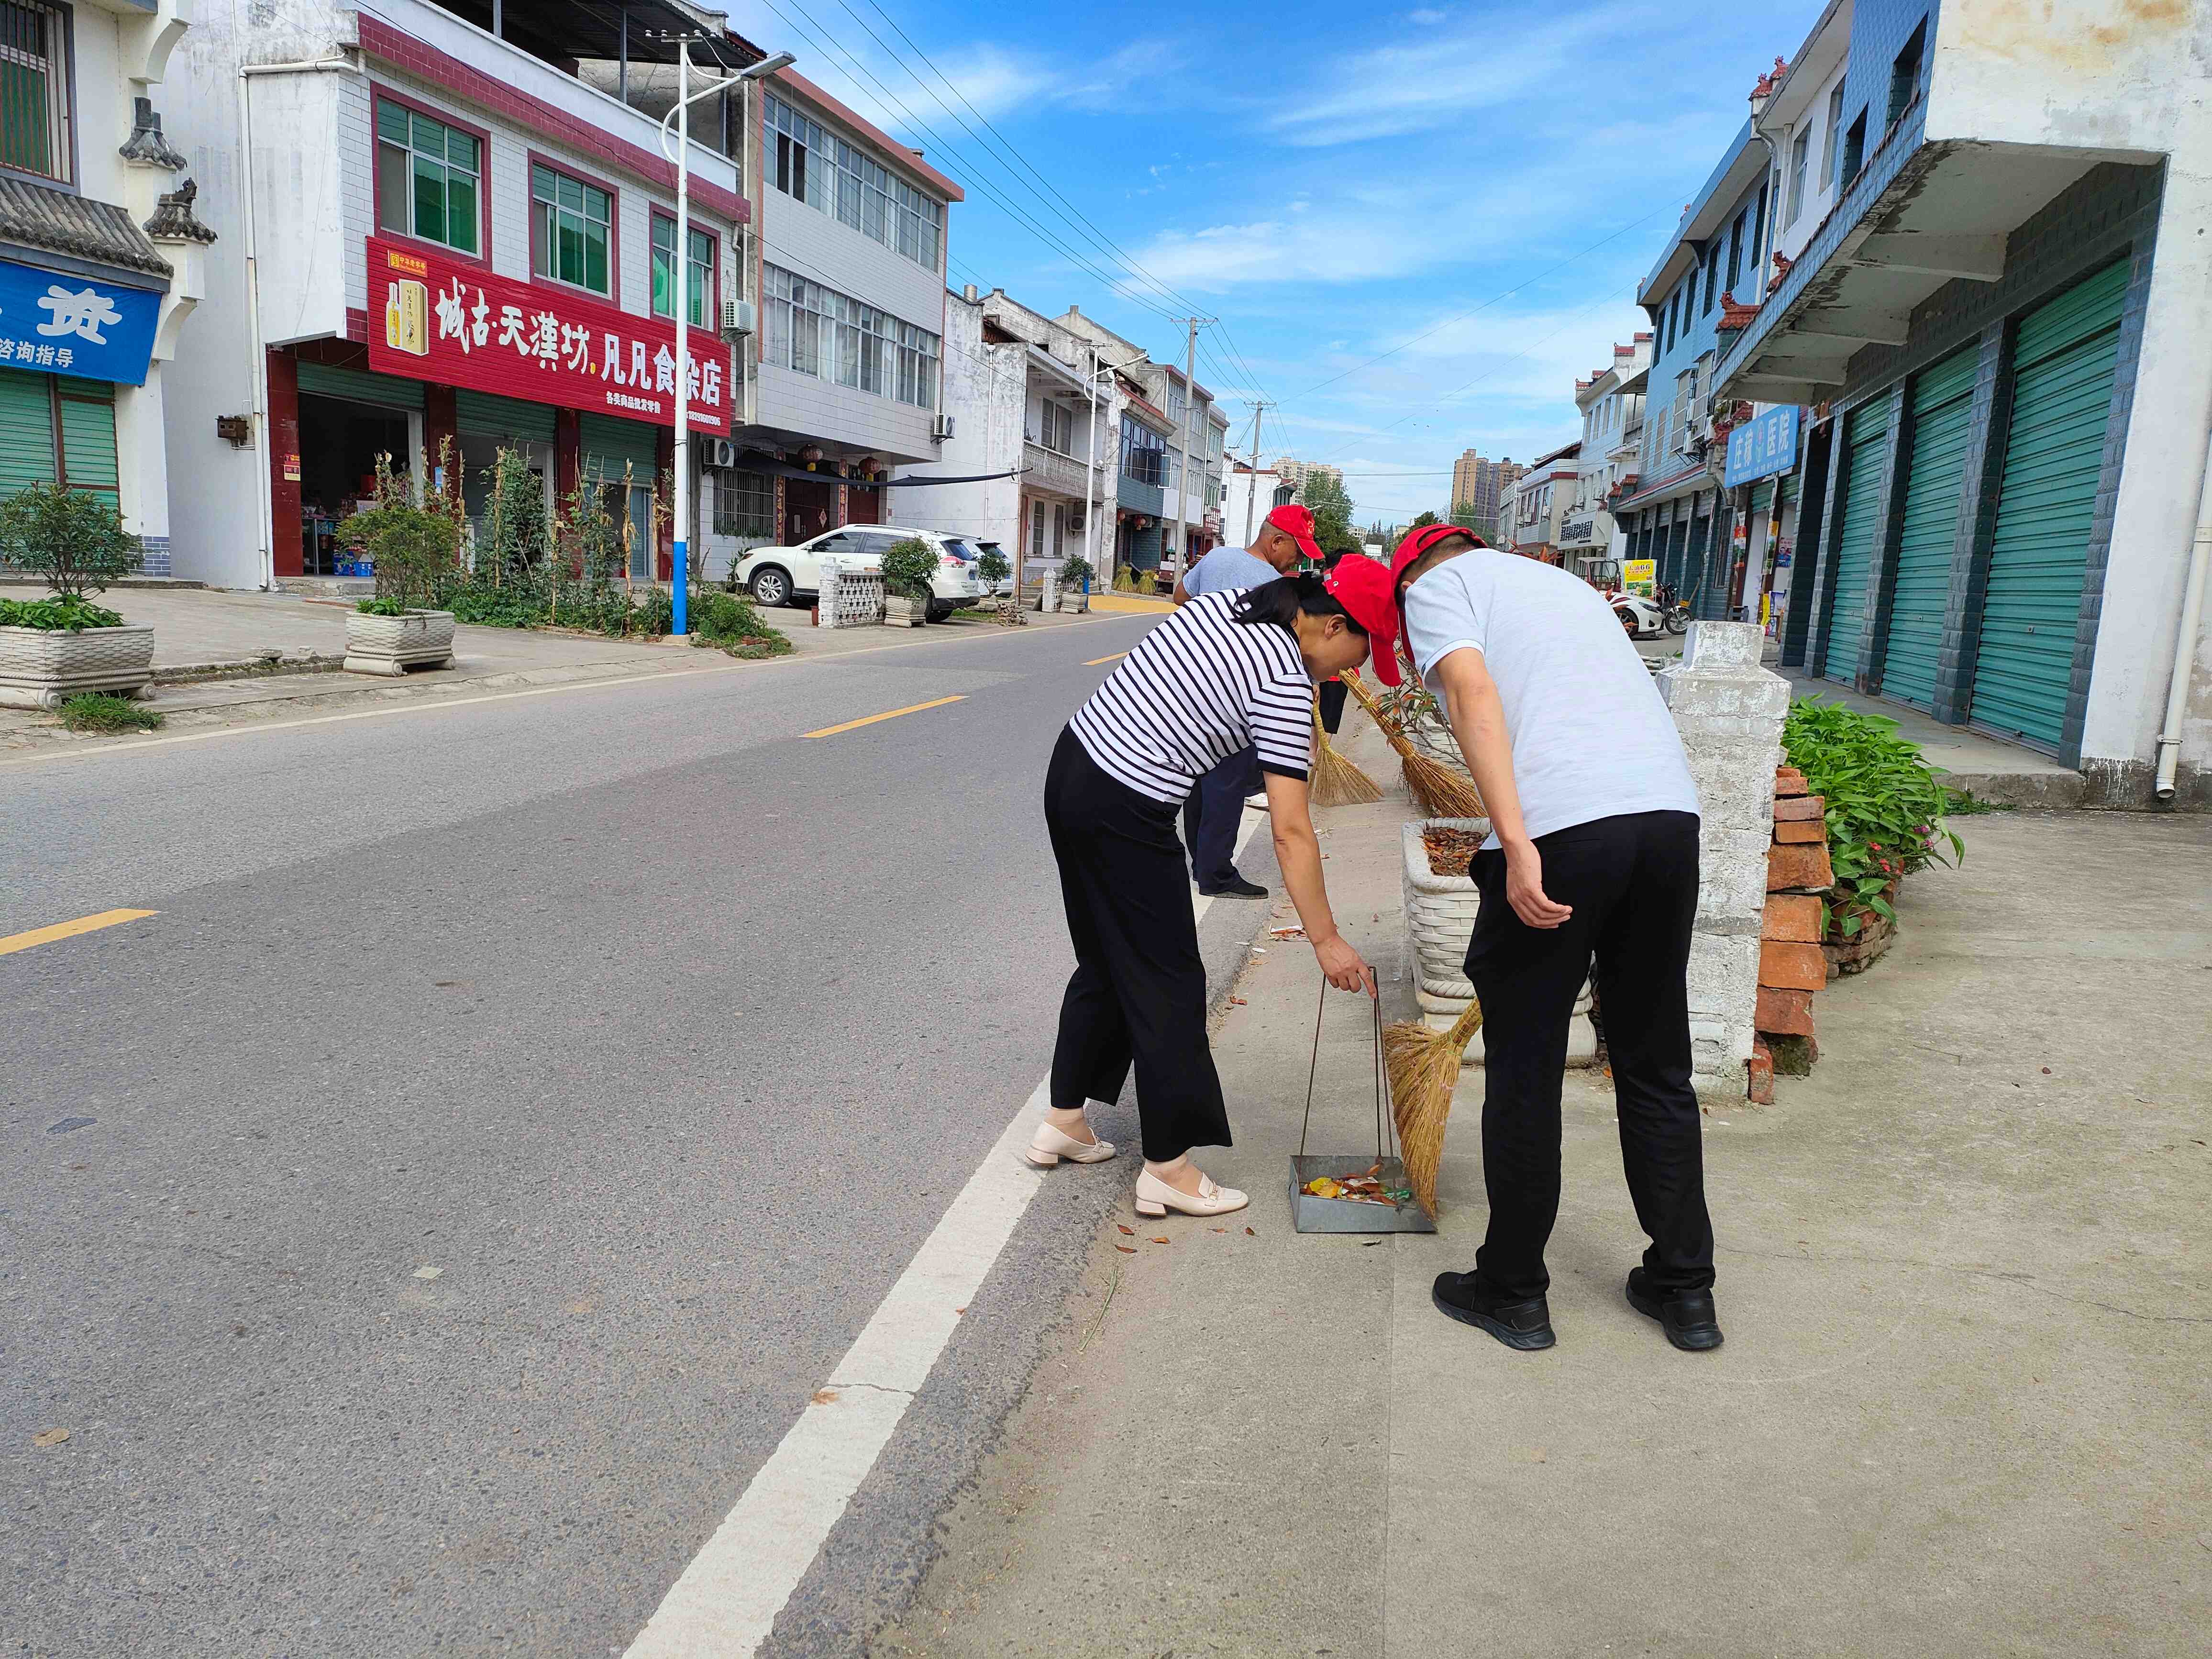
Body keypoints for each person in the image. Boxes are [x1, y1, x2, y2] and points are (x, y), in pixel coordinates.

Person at [1389, 523, 1721, 1354]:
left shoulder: (1438, 588)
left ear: (1412, 578)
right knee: (1655, 1061)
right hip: (1666, 823)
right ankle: (1683, 1290)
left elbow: (1472, 696)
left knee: (1525, 1069)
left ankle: (1511, 1289)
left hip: (1564, 831)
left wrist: (1514, 843)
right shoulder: (1568, 589)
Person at [1030, 558, 1403, 1217]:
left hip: (1074, 769)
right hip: (1126, 807)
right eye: (1362, 651)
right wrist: (1326, 939)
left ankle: (1063, 1121)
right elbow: (1291, 832)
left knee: (1109, 960)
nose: (1357, 669)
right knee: (1169, 980)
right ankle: (1167, 1168)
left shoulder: (1229, 604)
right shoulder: (1285, 683)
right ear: (1333, 626)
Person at [1169, 504, 1323, 897]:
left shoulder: (1217, 558)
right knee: (1228, 784)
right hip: (1238, 695)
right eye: (1297, 551)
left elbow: (1180, 596)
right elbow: (1290, 645)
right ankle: (1216, 875)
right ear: (1277, 541)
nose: (1298, 561)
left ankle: (1201, 865)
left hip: (1193, 688)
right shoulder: (1276, 587)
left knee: (1200, 780)